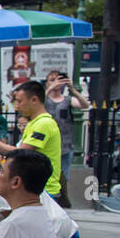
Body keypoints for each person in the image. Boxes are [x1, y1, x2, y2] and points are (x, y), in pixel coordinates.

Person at [0, 80, 61, 199]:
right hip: (35, 187)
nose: (17, 106)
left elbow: (20, 154)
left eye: (19, 101)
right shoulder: (34, 123)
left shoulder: (43, 124)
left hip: (43, 189)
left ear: (34, 100)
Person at [44, 70, 88, 208]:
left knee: (63, 176)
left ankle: (59, 202)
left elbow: (85, 105)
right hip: (46, 144)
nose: (56, 82)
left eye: (58, 79)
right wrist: (50, 88)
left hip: (64, 145)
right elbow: (37, 100)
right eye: (52, 79)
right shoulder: (44, 99)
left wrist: (72, 89)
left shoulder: (67, 100)